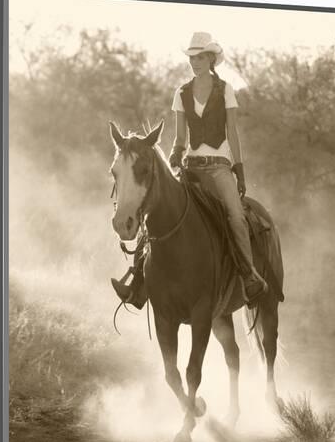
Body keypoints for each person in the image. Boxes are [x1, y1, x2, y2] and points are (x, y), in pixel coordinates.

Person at [111, 31, 267, 308]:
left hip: (219, 169)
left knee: (235, 216)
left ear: (211, 59)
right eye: (192, 57)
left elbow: (232, 132)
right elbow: (180, 137)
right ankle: (138, 283)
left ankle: (248, 275)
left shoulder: (226, 90)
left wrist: (239, 168)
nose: (194, 62)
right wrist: (174, 155)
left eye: (200, 57)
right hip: (191, 168)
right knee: (155, 211)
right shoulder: (180, 93)